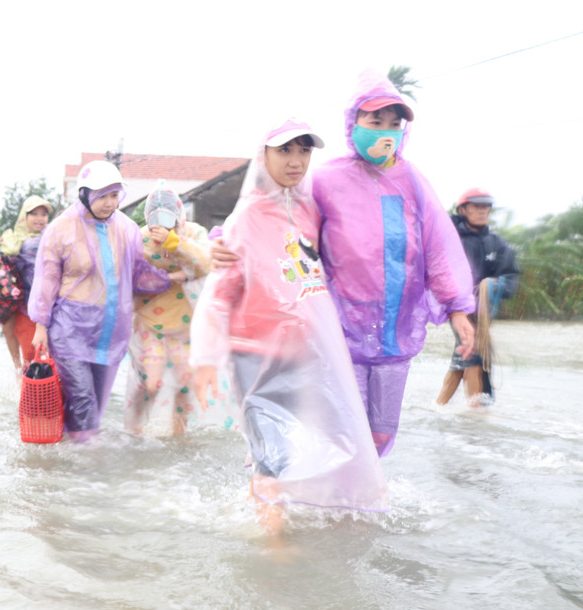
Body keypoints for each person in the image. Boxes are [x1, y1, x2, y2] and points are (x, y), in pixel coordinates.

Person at [212, 70, 476, 458]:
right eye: (375, 121)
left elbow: (438, 248)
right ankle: (325, 502)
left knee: (381, 436)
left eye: (394, 123)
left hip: (394, 336)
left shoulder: (413, 182)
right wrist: (221, 240)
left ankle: (359, 506)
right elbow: (278, 215)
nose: (386, 130)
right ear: (354, 124)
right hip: (339, 334)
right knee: (341, 431)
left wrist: (457, 308)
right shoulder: (326, 180)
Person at [192, 118, 388, 528]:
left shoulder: (309, 209)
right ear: (263, 157)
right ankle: (271, 543)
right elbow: (218, 294)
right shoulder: (245, 218)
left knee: (308, 444)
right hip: (256, 355)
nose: (296, 161)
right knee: (272, 452)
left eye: (304, 151)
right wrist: (206, 358)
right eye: (285, 151)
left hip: (306, 353)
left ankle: (281, 516)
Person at [29, 160, 173, 441]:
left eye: (114, 195)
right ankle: (86, 464)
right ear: (85, 195)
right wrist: (40, 325)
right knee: (82, 396)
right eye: (102, 196)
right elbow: (46, 280)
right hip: (70, 329)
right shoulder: (61, 229)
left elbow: (138, 273)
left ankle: (70, 450)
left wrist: (174, 278)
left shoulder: (127, 228)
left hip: (111, 330)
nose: (109, 203)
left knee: (97, 404)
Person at [124, 183, 212, 435]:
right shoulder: (139, 238)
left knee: (186, 385)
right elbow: (129, 276)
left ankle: (178, 439)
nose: (162, 228)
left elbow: (206, 263)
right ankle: (134, 431)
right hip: (151, 325)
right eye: (157, 222)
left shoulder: (193, 233)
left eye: (170, 221)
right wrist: (172, 277)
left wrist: (174, 242)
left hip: (187, 326)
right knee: (150, 384)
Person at [436, 188, 519, 405]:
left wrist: (496, 284)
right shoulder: (450, 237)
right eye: (476, 206)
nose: (482, 211)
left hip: (483, 310)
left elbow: (510, 275)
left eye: (486, 206)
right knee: (473, 352)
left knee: (463, 357)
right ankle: (477, 413)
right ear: (462, 209)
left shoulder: (498, 244)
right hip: (457, 309)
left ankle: (439, 406)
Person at [0, 195, 53, 371]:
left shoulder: (51, 237)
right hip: (24, 308)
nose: (39, 218)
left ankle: (28, 384)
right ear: (24, 217)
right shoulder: (14, 242)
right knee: (32, 355)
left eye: (43, 214)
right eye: (34, 213)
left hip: (48, 307)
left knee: (43, 357)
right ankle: (25, 385)